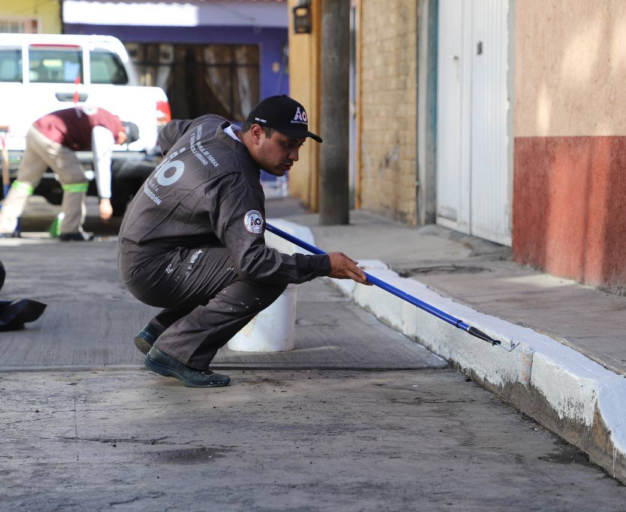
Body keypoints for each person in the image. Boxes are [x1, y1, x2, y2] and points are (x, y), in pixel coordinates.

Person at [118, 95, 369, 388]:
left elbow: (168, 133)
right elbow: (255, 264)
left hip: (141, 246)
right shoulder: (238, 182)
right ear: (257, 133)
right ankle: (178, 352)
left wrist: (190, 192)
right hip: (154, 269)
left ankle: (161, 330)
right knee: (267, 276)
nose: (294, 156)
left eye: (298, 147)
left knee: (236, 248)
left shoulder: (209, 125)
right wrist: (324, 265)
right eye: (287, 144)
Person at [0, 106, 139, 240]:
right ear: (123, 130)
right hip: (51, 136)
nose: (119, 144)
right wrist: (105, 199)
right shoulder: (107, 129)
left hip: (36, 130)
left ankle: (4, 228)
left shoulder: (104, 118)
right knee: (77, 180)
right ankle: (70, 230)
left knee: (24, 182)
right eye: (124, 141)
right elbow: (101, 161)